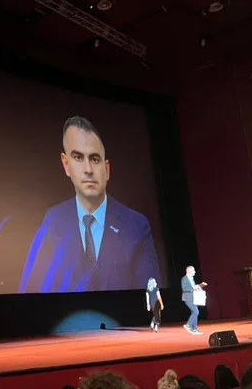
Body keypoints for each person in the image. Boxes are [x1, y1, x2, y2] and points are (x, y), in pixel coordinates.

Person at [19, 116, 160, 293]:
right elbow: (34, 294)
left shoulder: (137, 226)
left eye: (94, 159)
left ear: (106, 169)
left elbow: (150, 298)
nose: (88, 169)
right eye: (78, 157)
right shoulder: (53, 221)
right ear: (66, 165)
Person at [181, 266, 205, 335]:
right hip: (188, 298)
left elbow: (193, 288)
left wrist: (198, 287)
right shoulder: (184, 278)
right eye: (193, 271)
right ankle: (188, 325)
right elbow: (184, 288)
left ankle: (194, 329)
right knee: (196, 311)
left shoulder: (191, 278)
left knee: (194, 312)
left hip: (193, 298)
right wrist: (193, 288)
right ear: (189, 271)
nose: (195, 272)